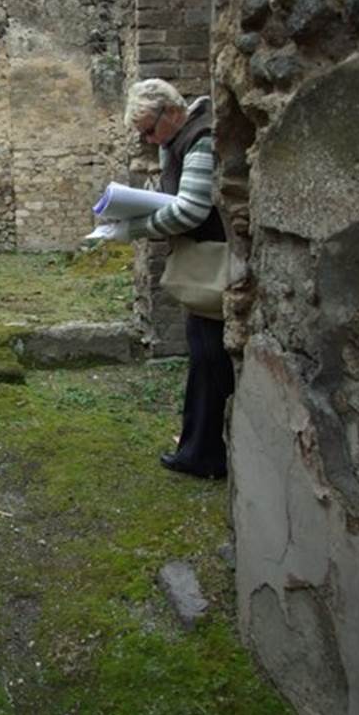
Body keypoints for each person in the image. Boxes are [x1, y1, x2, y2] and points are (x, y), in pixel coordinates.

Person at [101, 78, 234, 479]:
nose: (146, 139)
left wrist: (133, 228)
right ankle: (198, 448)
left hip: (213, 262)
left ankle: (206, 454)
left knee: (211, 358)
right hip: (204, 263)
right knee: (203, 356)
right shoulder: (177, 140)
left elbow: (191, 210)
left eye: (148, 129)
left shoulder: (200, 140)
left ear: (172, 112)